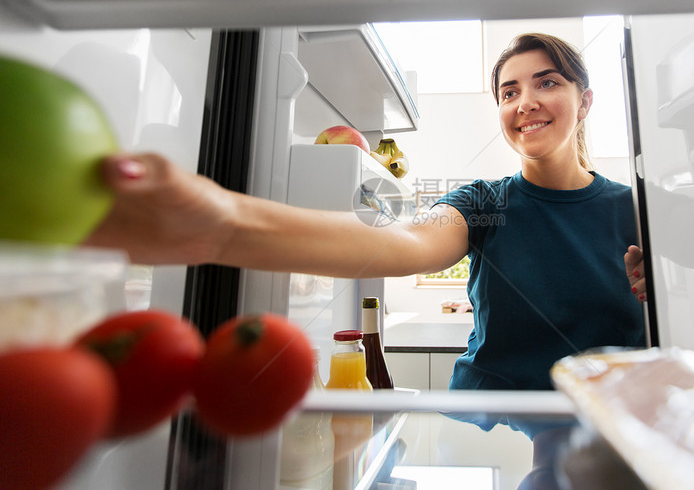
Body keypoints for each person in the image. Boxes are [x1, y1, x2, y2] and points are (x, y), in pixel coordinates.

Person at [86, 31, 648, 409]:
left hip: (608, 424)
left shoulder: (639, 212)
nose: (525, 101)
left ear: (586, 100)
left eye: (547, 82)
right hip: (487, 417)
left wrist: (663, 290)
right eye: (509, 90)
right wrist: (221, 225)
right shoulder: (485, 201)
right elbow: (403, 241)